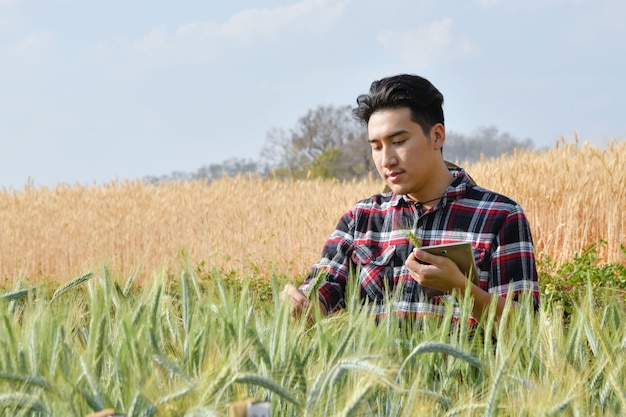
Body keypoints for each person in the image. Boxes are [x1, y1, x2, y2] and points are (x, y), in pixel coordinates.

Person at [280, 74, 539, 324]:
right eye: (376, 146)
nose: (386, 159)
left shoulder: (500, 216)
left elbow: (525, 328)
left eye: (399, 141)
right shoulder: (361, 219)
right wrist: (301, 304)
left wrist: (461, 289)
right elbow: (326, 288)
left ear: (437, 136)